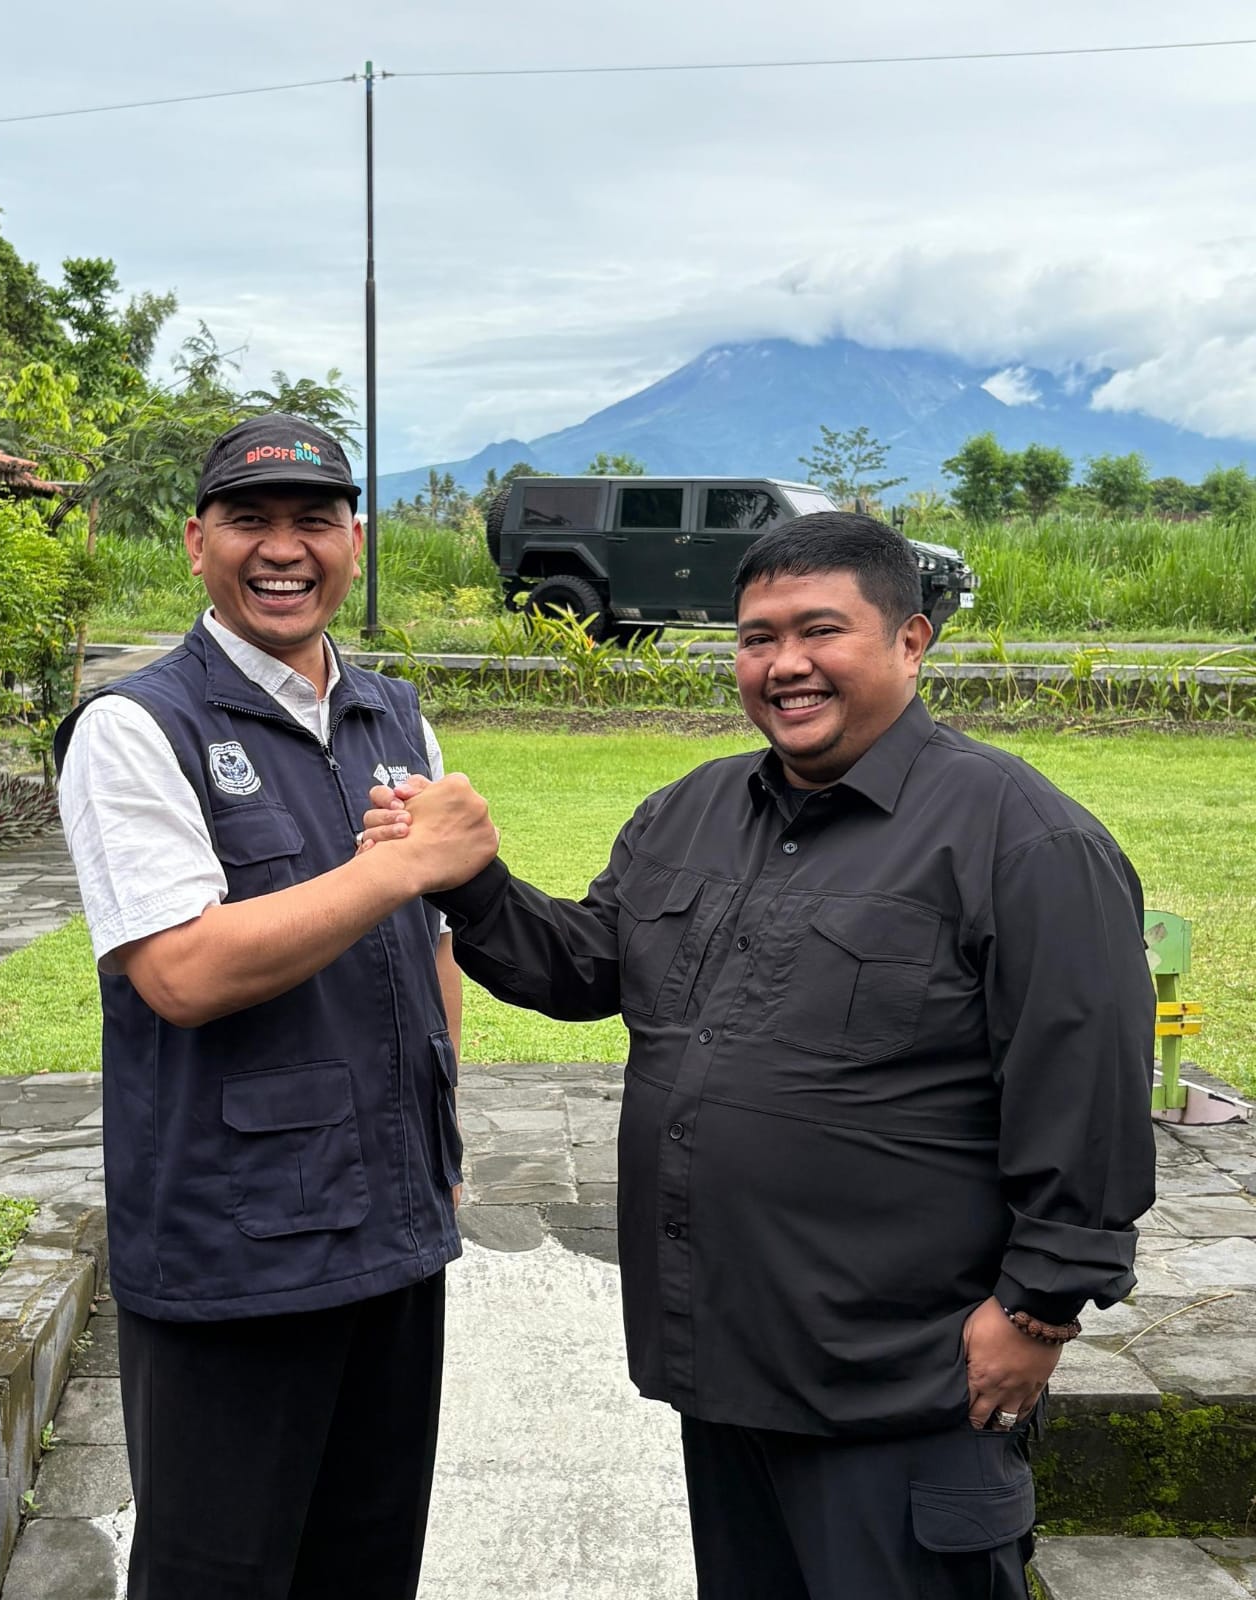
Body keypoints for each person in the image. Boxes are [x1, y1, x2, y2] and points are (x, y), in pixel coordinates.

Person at [364, 513, 1157, 1599]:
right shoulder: (689, 814)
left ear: (911, 640)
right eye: (755, 637)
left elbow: (1088, 1091)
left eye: (819, 631)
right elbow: (588, 967)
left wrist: (1038, 1310)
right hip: (726, 1358)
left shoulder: (1019, 838)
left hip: (903, 1381)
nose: (784, 665)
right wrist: (466, 880)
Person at [53, 414, 498, 1600]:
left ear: (355, 539)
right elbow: (182, 972)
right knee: (221, 1573)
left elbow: (435, 941)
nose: (283, 548)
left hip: (395, 1229)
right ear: (197, 541)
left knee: (366, 1562)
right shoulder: (137, 727)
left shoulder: (392, 715)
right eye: (250, 519)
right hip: (233, 1244)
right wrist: (388, 868)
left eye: (314, 519)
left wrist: (441, 1137)